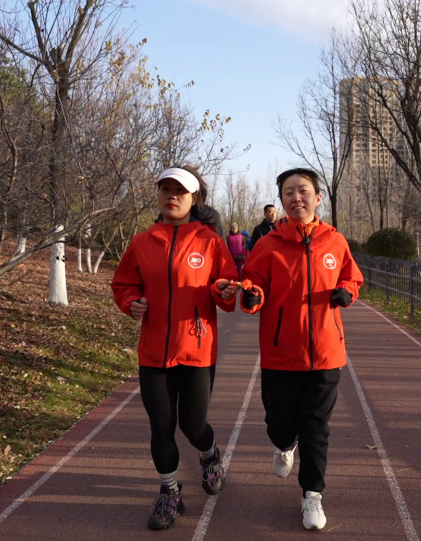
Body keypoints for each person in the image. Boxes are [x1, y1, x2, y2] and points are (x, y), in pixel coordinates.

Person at [111, 166, 241, 531]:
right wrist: (131, 302)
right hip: (154, 353)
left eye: (180, 190)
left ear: (194, 197)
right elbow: (123, 284)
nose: (172, 195)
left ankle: (209, 455)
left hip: (196, 349)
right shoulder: (142, 242)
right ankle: (169, 492)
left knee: (193, 424)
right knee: (161, 426)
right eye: (165, 188)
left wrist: (223, 291)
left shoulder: (210, 242)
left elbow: (227, 290)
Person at [238, 168, 364, 531]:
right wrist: (252, 295)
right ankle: (283, 444)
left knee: (316, 427)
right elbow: (252, 282)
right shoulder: (268, 245)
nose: (297, 197)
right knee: (279, 424)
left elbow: (352, 276)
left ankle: (312, 495)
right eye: (289, 192)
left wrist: (347, 291)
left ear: (318, 198)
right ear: (281, 201)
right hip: (281, 353)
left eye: (304, 190)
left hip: (326, 353)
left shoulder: (334, 241)